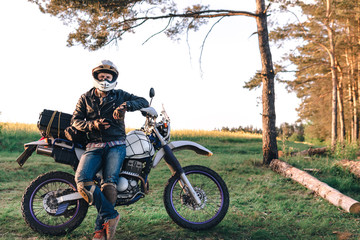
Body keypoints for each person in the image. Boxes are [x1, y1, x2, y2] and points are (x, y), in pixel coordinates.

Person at [71, 60, 149, 240]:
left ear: (113, 78)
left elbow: (143, 101)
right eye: (101, 76)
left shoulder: (120, 95)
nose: (105, 79)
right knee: (82, 180)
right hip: (93, 146)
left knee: (109, 183)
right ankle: (111, 215)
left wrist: (126, 106)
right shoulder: (85, 97)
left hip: (116, 144)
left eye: (108, 76)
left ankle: (100, 230)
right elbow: (76, 120)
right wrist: (93, 124)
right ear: (96, 77)